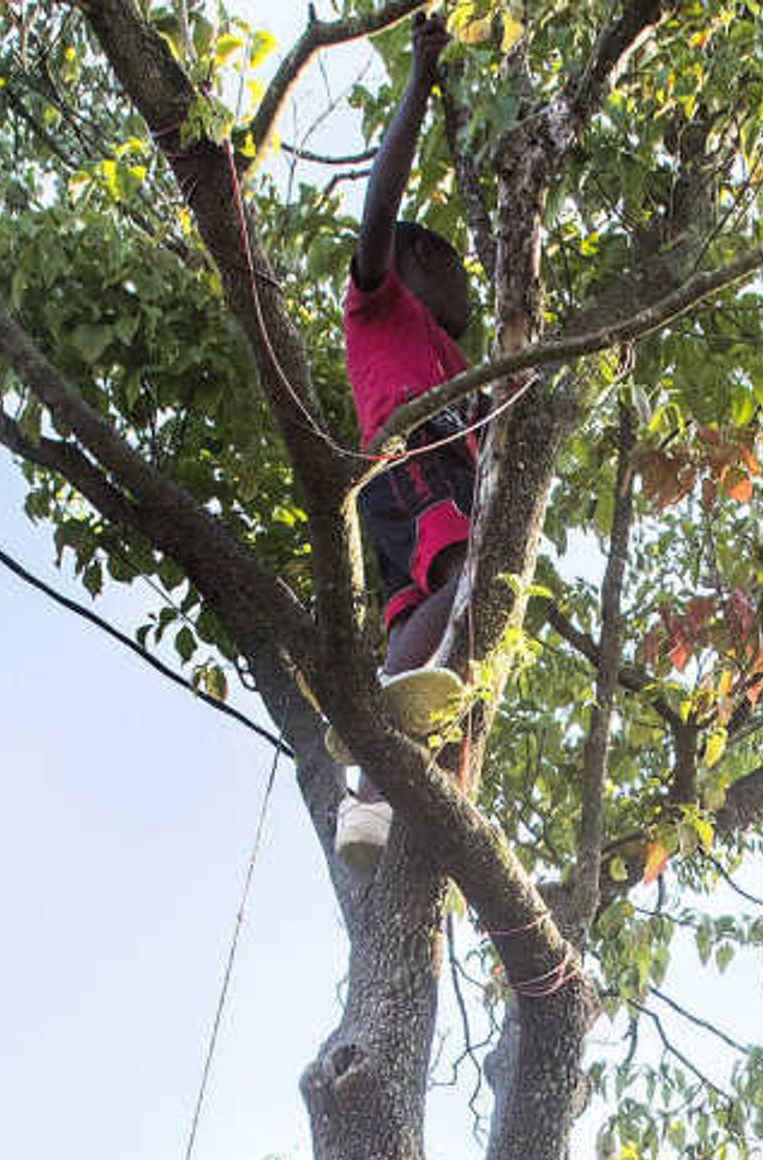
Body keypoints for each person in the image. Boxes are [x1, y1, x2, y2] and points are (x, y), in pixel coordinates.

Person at [331, 21, 480, 867]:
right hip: (409, 461)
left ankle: (371, 811)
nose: (467, 294)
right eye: (457, 270)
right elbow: (379, 207)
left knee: (425, 628)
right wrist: (420, 81)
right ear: (420, 257)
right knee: (462, 580)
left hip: (439, 479)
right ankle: (379, 752)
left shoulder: (461, 361)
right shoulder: (383, 302)